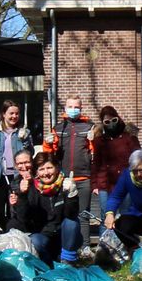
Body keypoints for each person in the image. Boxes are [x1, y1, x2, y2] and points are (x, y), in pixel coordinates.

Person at [7, 152, 84, 264]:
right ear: (37, 172)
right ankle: (47, 262)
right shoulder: (31, 187)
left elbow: (71, 215)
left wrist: (72, 195)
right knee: (35, 241)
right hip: (43, 234)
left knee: (72, 222)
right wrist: (23, 195)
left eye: (49, 168)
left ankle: (68, 261)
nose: (46, 173)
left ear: (56, 168)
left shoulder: (65, 184)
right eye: (42, 169)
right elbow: (24, 218)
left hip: (63, 235)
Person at [44, 96, 95, 244]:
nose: (73, 109)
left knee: (83, 215)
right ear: (65, 108)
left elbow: (95, 153)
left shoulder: (89, 127)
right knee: (63, 214)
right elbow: (49, 155)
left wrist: (94, 141)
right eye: (70, 107)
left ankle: (85, 246)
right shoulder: (58, 128)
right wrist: (48, 143)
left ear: (81, 108)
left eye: (76, 107)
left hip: (84, 177)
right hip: (63, 177)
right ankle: (65, 246)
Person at [87, 105, 138, 229]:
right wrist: (94, 185)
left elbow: (137, 158)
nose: (111, 124)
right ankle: (105, 240)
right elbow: (95, 163)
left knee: (125, 216)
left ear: (118, 118)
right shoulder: (99, 141)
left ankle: (125, 239)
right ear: (103, 123)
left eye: (113, 120)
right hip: (105, 184)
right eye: (107, 122)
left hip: (126, 182)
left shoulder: (129, 138)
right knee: (106, 217)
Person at [0, 101, 35, 196]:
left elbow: (30, 154)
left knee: (15, 202)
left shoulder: (24, 132)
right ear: (4, 114)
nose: (14, 116)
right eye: (11, 113)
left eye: (17, 113)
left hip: (17, 175)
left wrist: (25, 141)